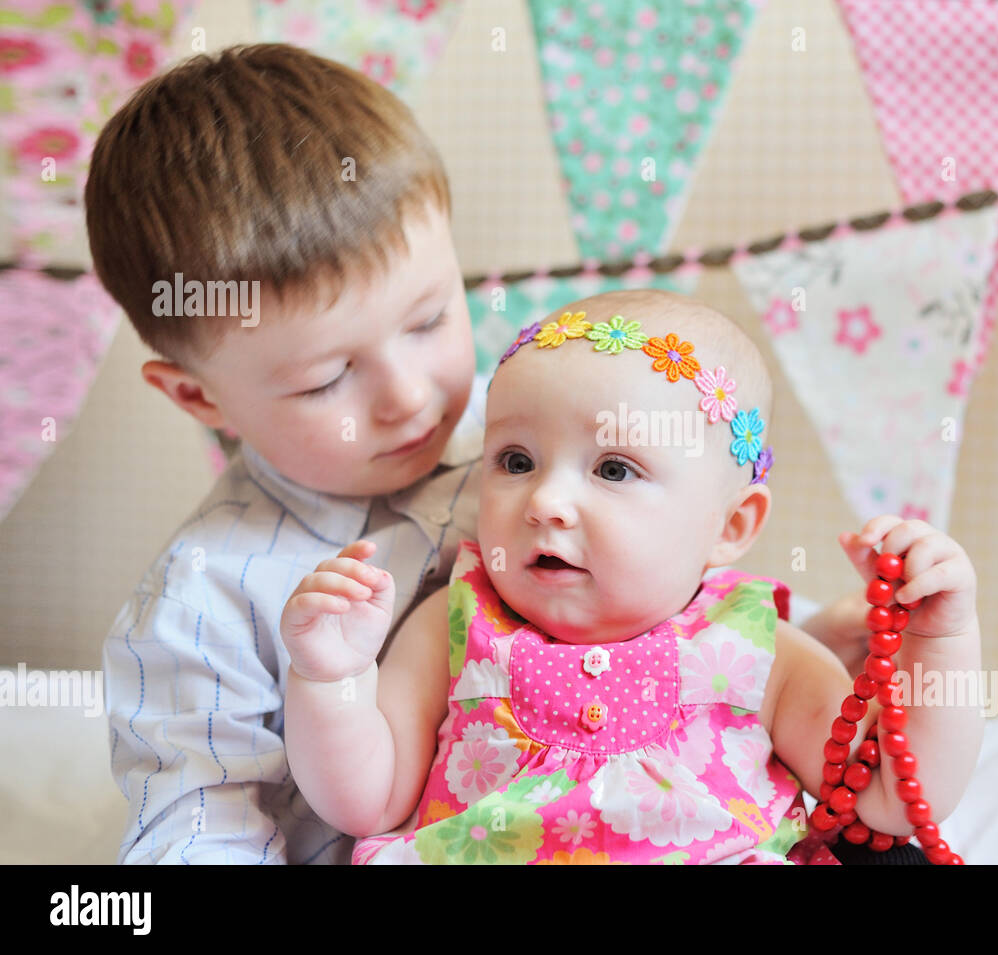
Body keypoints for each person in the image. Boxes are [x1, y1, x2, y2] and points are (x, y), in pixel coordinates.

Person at [90, 44, 898, 865]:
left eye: (430, 319)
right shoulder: (204, 599)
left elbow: (663, 588)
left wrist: (804, 647)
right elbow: (196, 825)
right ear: (199, 397)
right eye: (327, 378)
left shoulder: (525, 437)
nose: (408, 395)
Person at [280, 289, 985, 864]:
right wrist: (330, 676)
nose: (545, 502)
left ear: (729, 526)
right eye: (516, 460)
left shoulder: (758, 648)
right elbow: (366, 800)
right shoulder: (458, 622)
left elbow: (892, 793)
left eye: (614, 469)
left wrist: (941, 638)